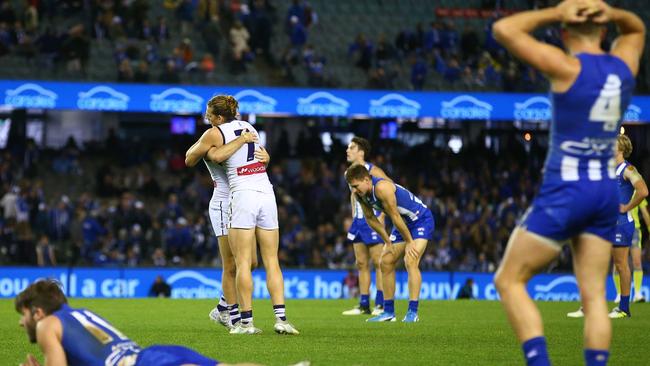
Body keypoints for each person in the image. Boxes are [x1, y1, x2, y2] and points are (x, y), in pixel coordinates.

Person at [492, 0, 645, 365]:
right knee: (594, 296)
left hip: (566, 190)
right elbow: (637, 28)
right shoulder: (623, 67)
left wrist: (556, 11)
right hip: (604, 193)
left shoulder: (566, 67)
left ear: (564, 33)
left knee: (509, 281)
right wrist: (613, 12)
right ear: (605, 31)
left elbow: (504, 30)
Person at [202, 95, 299, 335]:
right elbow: (260, 156)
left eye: (209, 113)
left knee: (242, 262)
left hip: (242, 194)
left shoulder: (216, 133)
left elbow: (214, 156)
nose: (206, 117)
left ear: (219, 117)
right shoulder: (249, 126)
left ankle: (245, 323)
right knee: (271, 261)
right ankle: (281, 319)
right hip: (266, 192)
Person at [14, 279, 247, 366]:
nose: (21, 324)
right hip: (153, 354)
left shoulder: (47, 325)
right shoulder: (81, 314)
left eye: (22, 315)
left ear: (36, 312)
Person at [185, 112, 267, 330]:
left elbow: (260, 161)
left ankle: (222, 306)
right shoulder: (212, 137)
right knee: (231, 264)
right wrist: (206, 148)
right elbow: (190, 158)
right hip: (223, 202)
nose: (207, 119)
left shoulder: (242, 133)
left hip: (244, 200)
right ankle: (232, 316)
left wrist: (265, 157)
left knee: (251, 263)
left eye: (210, 115)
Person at [567, 135, 648, 319]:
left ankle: (624, 308)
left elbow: (643, 191)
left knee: (621, 265)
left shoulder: (628, 169)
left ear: (620, 149)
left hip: (620, 223)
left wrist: (627, 207)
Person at [345, 164, 434, 322]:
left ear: (366, 179)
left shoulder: (382, 188)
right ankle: (388, 312)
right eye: (352, 187)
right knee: (385, 261)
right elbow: (371, 219)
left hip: (420, 220)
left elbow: (395, 216)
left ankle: (412, 312)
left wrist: (409, 242)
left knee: (410, 259)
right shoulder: (360, 194)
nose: (354, 190)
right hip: (401, 225)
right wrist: (387, 241)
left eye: (356, 186)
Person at [342, 137, 391, 316]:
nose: (348, 150)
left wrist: (383, 215)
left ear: (361, 152)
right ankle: (364, 304)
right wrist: (354, 215)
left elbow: (390, 188)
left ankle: (380, 304)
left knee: (379, 263)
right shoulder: (349, 173)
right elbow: (353, 196)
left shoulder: (373, 170)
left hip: (374, 220)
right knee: (361, 263)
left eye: (352, 148)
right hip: (359, 222)